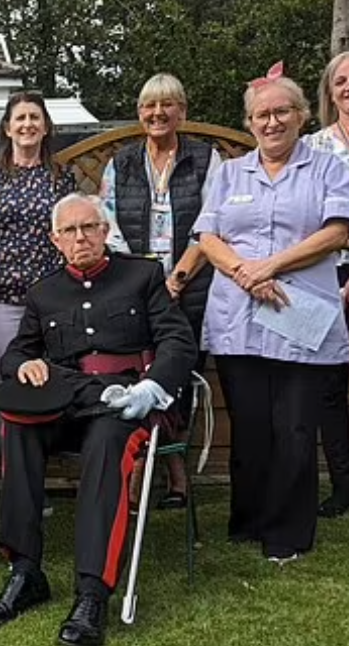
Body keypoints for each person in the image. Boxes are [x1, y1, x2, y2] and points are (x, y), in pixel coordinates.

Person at [0, 194, 195, 646]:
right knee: (17, 426)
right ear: (55, 240)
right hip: (69, 404)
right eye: (70, 231)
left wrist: (152, 388)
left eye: (89, 227)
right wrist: (24, 365)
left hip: (127, 401)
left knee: (107, 441)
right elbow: (16, 353)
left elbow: (177, 340)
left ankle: (92, 592)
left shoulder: (142, 275)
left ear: (105, 231)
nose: (81, 238)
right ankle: (25, 571)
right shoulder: (44, 292)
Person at [194, 65, 349, 561]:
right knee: (251, 425)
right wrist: (246, 272)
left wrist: (271, 267)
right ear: (249, 123)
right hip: (238, 317)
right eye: (261, 114)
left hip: (300, 315)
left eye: (282, 111)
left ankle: (287, 533)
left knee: (296, 427)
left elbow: (338, 232)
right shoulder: (229, 172)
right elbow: (208, 236)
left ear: (301, 116)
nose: (272, 121)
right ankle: (249, 520)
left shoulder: (328, 168)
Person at [99, 73, 222, 510]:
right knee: (136, 375)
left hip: (190, 290)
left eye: (167, 104)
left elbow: (211, 223)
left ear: (181, 112)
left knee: (180, 377)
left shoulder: (206, 159)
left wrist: (176, 280)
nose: (158, 113)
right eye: (149, 105)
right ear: (139, 114)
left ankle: (176, 474)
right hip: (135, 293)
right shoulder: (121, 163)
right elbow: (108, 223)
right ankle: (136, 475)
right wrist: (142, 281)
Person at [0, 90, 76, 384]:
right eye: (20, 118)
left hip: (53, 296)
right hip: (1, 298)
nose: (27, 124)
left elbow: (71, 232)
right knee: (8, 381)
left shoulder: (61, 177)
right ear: (8, 128)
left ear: (45, 127)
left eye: (34, 117)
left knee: (53, 381)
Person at [306, 52, 349, 518]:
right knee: (329, 388)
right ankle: (343, 485)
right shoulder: (313, 147)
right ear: (329, 91)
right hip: (324, 277)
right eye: (341, 80)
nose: (348, 87)